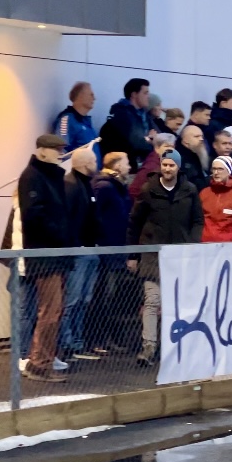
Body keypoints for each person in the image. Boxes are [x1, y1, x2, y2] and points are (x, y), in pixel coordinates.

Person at [127, 149, 204, 367]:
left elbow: (198, 220)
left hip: (180, 257)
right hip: (153, 255)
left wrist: (192, 243)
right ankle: (148, 347)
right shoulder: (148, 190)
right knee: (152, 301)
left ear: (178, 167)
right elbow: (135, 222)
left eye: (171, 165)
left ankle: (172, 346)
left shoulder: (189, 190)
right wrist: (133, 255)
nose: (167, 168)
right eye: (165, 164)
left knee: (175, 304)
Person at [17, 135, 73, 382]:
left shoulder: (47, 176)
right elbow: (34, 215)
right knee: (50, 311)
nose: (61, 153)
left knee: (53, 310)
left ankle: (42, 359)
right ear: (42, 151)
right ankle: (39, 363)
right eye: (56, 149)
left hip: (53, 252)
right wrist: (61, 233)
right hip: (45, 253)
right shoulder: (34, 176)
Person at [89, 152, 135, 356]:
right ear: (116, 166)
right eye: (126, 163)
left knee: (111, 297)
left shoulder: (115, 187)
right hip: (106, 250)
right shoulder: (104, 187)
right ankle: (96, 339)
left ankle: (105, 338)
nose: (130, 168)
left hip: (115, 249)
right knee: (102, 296)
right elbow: (97, 216)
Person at [59, 149, 101, 363]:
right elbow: (69, 220)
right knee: (72, 300)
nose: (98, 162)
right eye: (94, 160)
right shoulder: (72, 186)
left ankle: (76, 341)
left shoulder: (85, 184)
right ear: (85, 163)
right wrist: (75, 246)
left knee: (84, 300)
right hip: (79, 252)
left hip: (89, 249)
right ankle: (67, 344)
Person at [99, 77, 155, 171]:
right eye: (145, 93)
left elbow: (158, 135)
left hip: (141, 166)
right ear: (134, 94)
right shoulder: (122, 116)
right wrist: (151, 139)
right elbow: (136, 142)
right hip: (127, 169)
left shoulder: (144, 115)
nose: (148, 96)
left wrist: (151, 139)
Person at [53, 81, 100, 165]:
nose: (94, 98)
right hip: (79, 174)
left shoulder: (86, 122)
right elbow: (61, 150)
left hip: (91, 174)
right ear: (80, 96)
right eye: (91, 95)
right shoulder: (67, 119)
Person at [129, 133, 177, 199]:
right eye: (167, 146)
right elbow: (134, 190)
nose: (171, 150)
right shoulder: (151, 166)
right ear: (157, 148)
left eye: (172, 147)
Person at [176, 124, 210, 192]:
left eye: (202, 136)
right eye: (196, 136)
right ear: (185, 140)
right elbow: (192, 182)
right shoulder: (180, 158)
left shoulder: (197, 154)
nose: (201, 139)